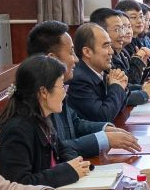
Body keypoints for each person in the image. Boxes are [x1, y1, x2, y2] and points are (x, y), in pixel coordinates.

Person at [26, 20, 139, 155]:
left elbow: (74, 123)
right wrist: (103, 139)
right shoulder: (35, 100)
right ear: (52, 59)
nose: (76, 59)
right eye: (71, 53)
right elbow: (55, 148)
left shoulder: (58, 87)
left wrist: (105, 129)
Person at [0, 56, 92, 189]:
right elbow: (20, 184)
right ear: (44, 92)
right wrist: (67, 171)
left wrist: (74, 162)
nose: (65, 93)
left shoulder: (41, 117)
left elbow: (62, 148)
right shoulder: (17, 131)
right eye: (62, 86)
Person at [67, 19, 135, 123]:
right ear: (87, 52)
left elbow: (117, 108)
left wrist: (122, 86)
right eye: (106, 46)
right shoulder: (79, 80)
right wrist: (116, 86)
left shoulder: (103, 72)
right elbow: (103, 117)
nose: (111, 51)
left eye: (110, 46)